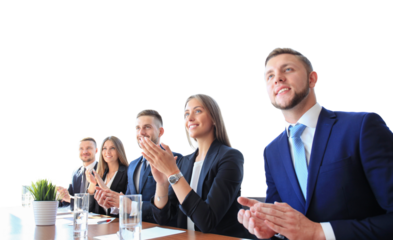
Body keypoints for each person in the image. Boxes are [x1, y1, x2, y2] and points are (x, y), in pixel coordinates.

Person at [237, 45, 393, 240]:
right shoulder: (271, 151)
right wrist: (271, 229)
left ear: (313, 78)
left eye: (287, 69)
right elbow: (284, 221)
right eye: (269, 76)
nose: (277, 78)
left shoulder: (362, 126)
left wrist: (319, 232)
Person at [140, 92, 253, 239]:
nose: (190, 118)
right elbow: (162, 218)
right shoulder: (184, 161)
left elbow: (207, 221)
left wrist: (173, 173)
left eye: (197, 111)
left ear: (213, 117)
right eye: (186, 114)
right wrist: (162, 183)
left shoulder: (231, 157)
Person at [94, 108, 183, 223]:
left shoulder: (175, 160)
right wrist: (113, 202)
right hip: (134, 229)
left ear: (161, 132)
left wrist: (132, 206)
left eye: (147, 127)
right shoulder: (133, 163)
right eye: (138, 128)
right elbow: (128, 201)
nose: (141, 132)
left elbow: (172, 207)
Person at [87, 134, 129, 216]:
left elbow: (128, 204)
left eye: (112, 148)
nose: (108, 152)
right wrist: (92, 184)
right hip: (101, 224)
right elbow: (90, 208)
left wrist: (105, 189)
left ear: (119, 150)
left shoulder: (127, 172)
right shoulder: (101, 174)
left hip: (117, 222)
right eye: (104, 148)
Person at [57, 135, 99, 210]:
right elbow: (67, 200)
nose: (84, 151)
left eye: (88, 148)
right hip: (78, 217)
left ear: (97, 150)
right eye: (81, 148)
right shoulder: (76, 170)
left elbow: (95, 205)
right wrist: (60, 193)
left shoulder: (102, 170)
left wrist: (70, 199)